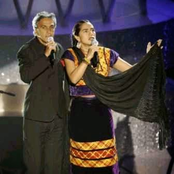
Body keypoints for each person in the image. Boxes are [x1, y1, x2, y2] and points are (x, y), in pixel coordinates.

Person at [62, 20, 168, 174]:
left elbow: (132, 73)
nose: (91, 33)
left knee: (104, 162)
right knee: (82, 163)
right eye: (86, 30)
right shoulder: (70, 54)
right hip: (80, 113)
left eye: (92, 30)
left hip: (101, 113)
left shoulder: (107, 53)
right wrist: (88, 57)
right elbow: (73, 78)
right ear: (77, 36)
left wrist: (149, 58)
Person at [17, 11, 69, 174]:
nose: (49, 31)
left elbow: (64, 78)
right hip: (36, 117)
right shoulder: (26, 50)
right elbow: (26, 76)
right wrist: (45, 55)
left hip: (57, 117)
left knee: (54, 166)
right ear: (35, 30)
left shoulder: (59, 48)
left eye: (52, 27)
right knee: (34, 166)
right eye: (44, 27)